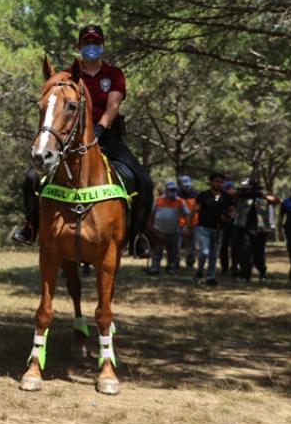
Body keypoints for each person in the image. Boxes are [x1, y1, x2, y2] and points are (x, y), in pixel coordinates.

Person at [11, 25, 154, 256]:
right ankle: (30, 226)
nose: (91, 47)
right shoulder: (68, 76)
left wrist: (99, 129)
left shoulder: (114, 75)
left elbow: (113, 105)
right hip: (71, 140)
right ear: (79, 47)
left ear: (103, 45)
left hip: (106, 135)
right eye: (87, 43)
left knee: (143, 180)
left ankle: (138, 236)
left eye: (95, 43)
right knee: (31, 179)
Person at [233, 179, 276, 281]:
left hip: (260, 230)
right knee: (245, 252)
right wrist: (244, 194)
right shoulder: (241, 198)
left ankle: (262, 272)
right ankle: (244, 275)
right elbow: (233, 195)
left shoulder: (262, 198)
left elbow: (275, 201)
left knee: (259, 254)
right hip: (244, 228)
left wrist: (261, 195)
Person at [193, 172, 231, 286]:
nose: (219, 184)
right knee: (204, 252)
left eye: (221, 182)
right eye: (217, 181)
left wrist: (227, 217)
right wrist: (189, 226)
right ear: (211, 182)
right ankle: (200, 270)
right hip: (203, 228)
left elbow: (232, 210)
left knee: (214, 255)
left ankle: (211, 277)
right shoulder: (203, 195)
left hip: (218, 229)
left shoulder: (226, 197)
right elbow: (195, 210)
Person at [149, 181, 189, 275]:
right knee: (157, 250)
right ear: (166, 190)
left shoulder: (180, 201)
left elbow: (187, 214)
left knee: (173, 251)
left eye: (174, 190)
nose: (172, 192)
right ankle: (155, 267)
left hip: (174, 231)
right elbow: (152, 214)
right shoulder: (158, 200)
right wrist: (151, 227)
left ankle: (171, 267)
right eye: (171, 190)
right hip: (158, 230)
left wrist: (186, 227)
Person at [177, 174, 198, 268]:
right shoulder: (176, 193)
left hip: (193, 224)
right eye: (184, 184)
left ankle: (190, 263)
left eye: (188, 184)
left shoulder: (196, 194)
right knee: (176, 246)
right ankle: (175, 262)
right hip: (179, 224)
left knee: (191, 246)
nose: (186, 186)